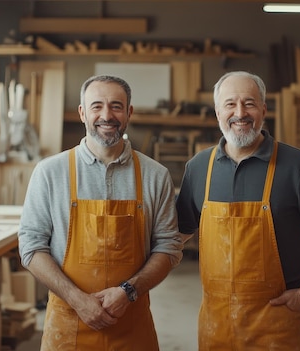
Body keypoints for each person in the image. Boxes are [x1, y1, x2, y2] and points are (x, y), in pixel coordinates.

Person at [176, 71, 300, 350]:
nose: (240, 113)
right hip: (215, 326)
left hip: (276, 324)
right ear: (217, 112)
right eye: (230, 104)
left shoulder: (297, 166)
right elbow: (178, 235)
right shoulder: (198, 168)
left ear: (264, 110)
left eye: (249, 103)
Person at [17, 75, 185, 350]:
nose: (106, 115)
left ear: (129, 113)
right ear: (82, 113)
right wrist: (77, 299)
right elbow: (31, 246)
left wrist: (128, 292)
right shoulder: (50, 172)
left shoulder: (155, 176)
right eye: (96, 106)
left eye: (116, 106)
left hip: (131, 326)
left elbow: (169, 247)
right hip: (68, 328)